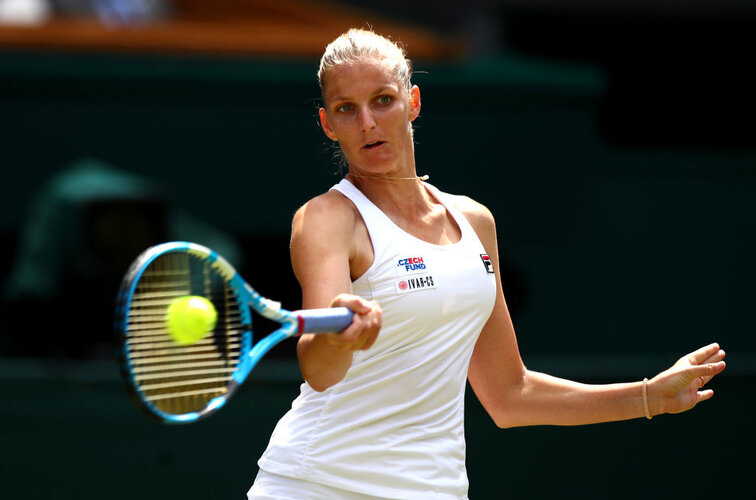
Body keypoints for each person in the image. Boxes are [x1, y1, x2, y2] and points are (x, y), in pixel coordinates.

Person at [248, 28, 726, 500]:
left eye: (383, 100)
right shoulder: (327, 219)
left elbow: (509, 394)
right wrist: (340, 337)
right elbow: (319, 368)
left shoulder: (475, 222)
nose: (368, 122)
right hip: (313, 486)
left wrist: (650, 397)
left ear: (413, 101)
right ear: (328, 123)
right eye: (346, 109)